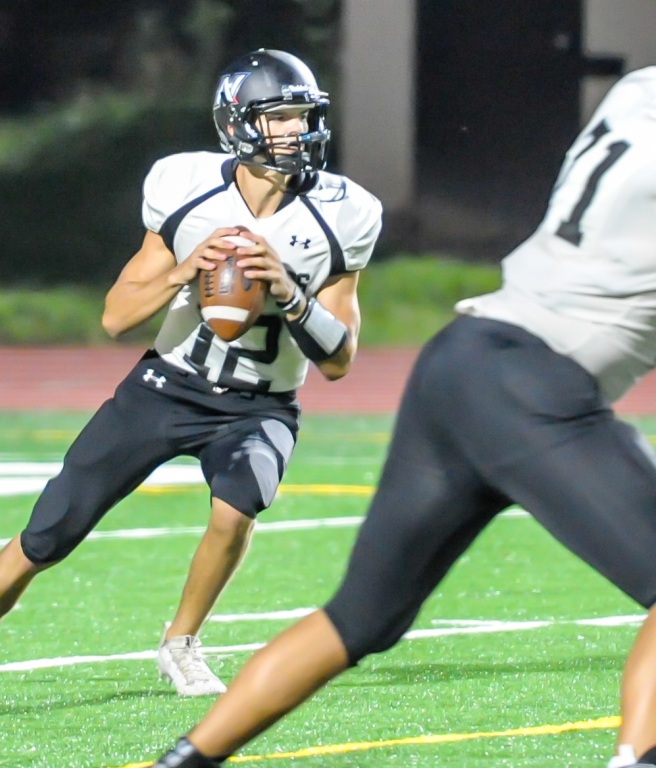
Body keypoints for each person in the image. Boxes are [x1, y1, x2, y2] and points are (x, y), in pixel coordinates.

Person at [151, 65, 656, 766]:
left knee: (357, 621)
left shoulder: (638, 94)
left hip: (460, 360)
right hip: (535, 387)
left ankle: (183, 761)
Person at [0, 49, 382, 697]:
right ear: (239, 124)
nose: (297, 131)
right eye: (281, 118)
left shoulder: (345, 211)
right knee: (52, 528)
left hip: (260, 402)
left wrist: (289, 293)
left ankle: (181, 644)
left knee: (237, 508)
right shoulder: (186, 187)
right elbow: (115, 316)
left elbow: (340, 359)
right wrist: (188, 270)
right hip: (167, 386)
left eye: (304, 116)